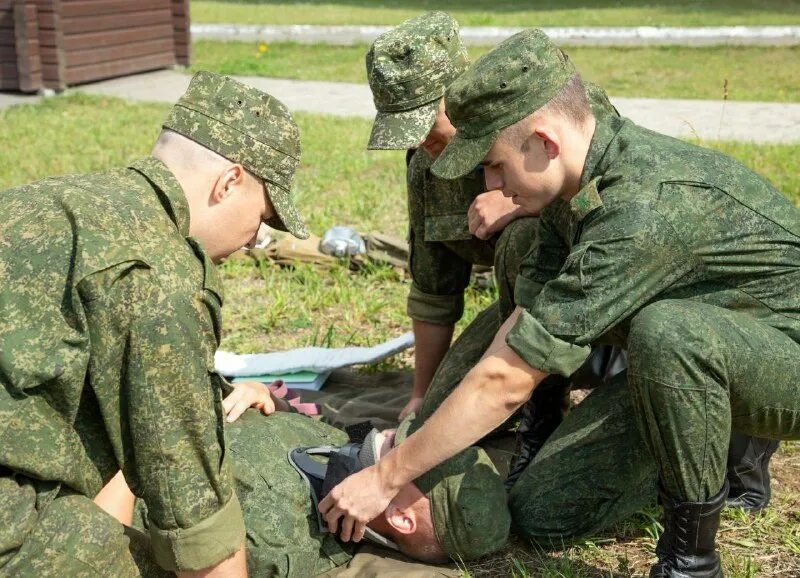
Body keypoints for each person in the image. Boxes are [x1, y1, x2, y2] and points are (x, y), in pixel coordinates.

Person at [321, 29, 799, 578]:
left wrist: (386, 477)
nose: (490, 182)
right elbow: (520, 335)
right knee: (545, 515)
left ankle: (691, 558)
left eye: (496, 165)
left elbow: (507, 381)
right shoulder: (573, 189)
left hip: (777, 360)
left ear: (545, 142)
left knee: (671, 333)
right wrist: (426, 417)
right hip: (697, 349)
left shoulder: (642, 212)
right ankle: (680, 415)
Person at [0, 71, 308, 577]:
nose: (254, 239)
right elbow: (194, 519)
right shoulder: (161, 277)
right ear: (229, 181)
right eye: (262, 216)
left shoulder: (51, 200)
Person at [365, 11, 537, 421]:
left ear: (461, 94)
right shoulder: (427, 167)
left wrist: (520, 201)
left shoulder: (536, 115)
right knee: (438, 412)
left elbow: (614, 208)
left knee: (522, 238)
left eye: (425, 123)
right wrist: (420, 394)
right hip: (512, 322)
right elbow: (433, 291)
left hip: (587, 305)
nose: (421, 141)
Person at [128, 409, 510, 577]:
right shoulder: (349, 456)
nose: (389, 435)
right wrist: (266, 399)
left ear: (401, 517)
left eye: (401, 454)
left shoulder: (276, 542)